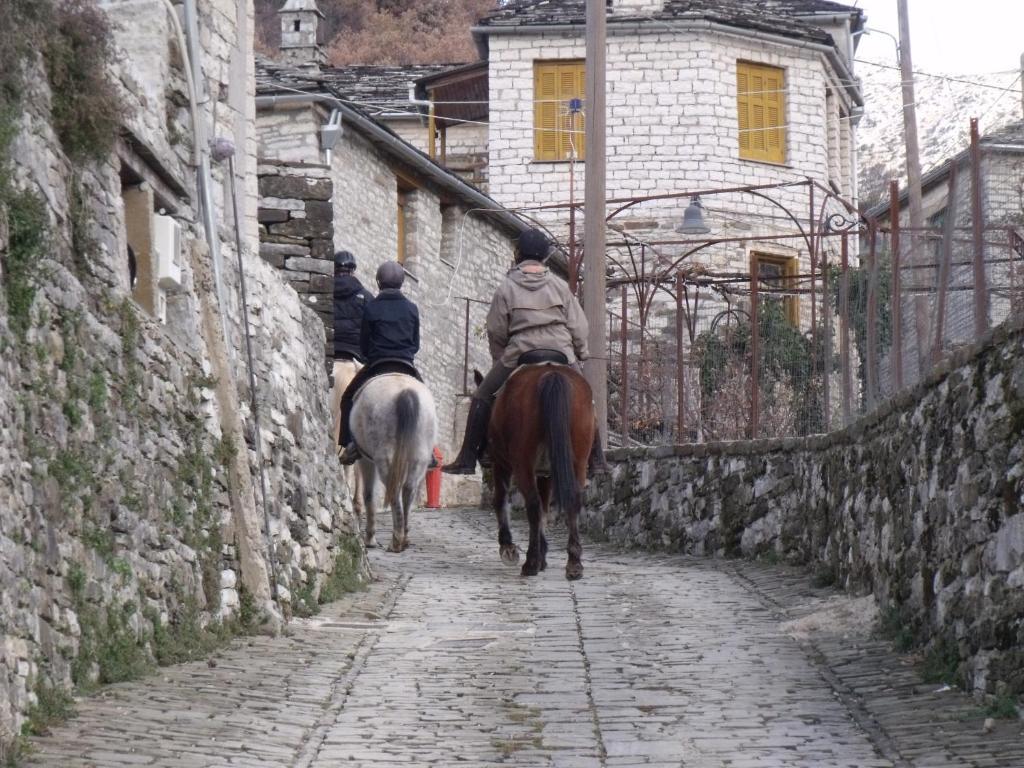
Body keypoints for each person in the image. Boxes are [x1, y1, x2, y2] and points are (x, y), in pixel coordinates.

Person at [443, 228, 607, 476]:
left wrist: (500, 359)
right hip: (561, 352)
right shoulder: (560, 287)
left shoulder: (506, 287)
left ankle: (467, 458)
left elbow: (496, 330)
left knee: (483, 395)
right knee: (587, 399)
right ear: (545, 256)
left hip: (521, 353)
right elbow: (579, 326)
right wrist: (581, 352)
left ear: (519, 254)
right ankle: (596, 459)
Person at [337, 260, 421, 465]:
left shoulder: (372, 307)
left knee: (347, 398)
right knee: (426, 401)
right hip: (406, 365)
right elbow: (416, 344)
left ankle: (350, 445)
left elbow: (364, 344)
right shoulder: (412, 308)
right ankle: (425, 450)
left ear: (379, 282)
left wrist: (369, 357)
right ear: (401, 282)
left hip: (377, 365)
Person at [329, 251, 373, 446]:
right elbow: (371, 333)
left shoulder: (323, 292)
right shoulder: (366, 297)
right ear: (353, 271)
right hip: (354, 361)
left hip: (328, 357)